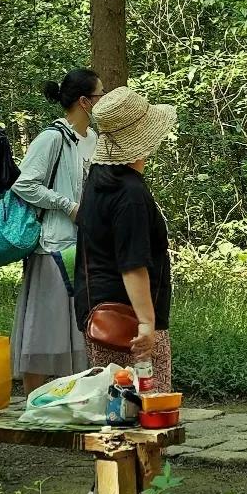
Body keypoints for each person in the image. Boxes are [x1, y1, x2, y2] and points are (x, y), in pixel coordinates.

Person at [78, 85, 179, 391]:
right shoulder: (129, 193)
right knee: (148, 404)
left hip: (100, 314)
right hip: (129, 320)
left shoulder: (99, 179)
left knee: (111, 403)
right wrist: (146, 323)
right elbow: (132, 264)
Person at [9, 69, 100, 386]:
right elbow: (24, 184)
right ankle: (34, 402)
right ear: (85, 101)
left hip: (84, 246)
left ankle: (70, 398)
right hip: (52, 247)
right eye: (100, 95)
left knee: (76, 330)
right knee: (44, 332)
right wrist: (67, 205)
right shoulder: (53, 138)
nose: (103, 100)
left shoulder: (94, 140)